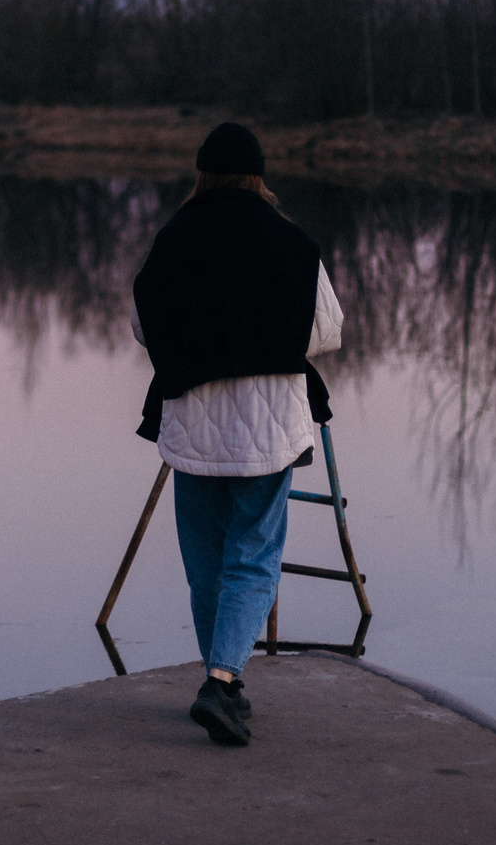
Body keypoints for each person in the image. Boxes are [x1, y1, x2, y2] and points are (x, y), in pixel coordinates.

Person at [130, 122, 343, 746]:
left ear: (201, 173)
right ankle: (223, 682)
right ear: (259, 175)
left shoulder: (172, 240)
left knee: (205, 562)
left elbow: (144, 328)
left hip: (192, 419)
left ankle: (221, 679)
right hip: (268, 422)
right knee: (253, 552)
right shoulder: (292, 242)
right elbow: (325, 332)